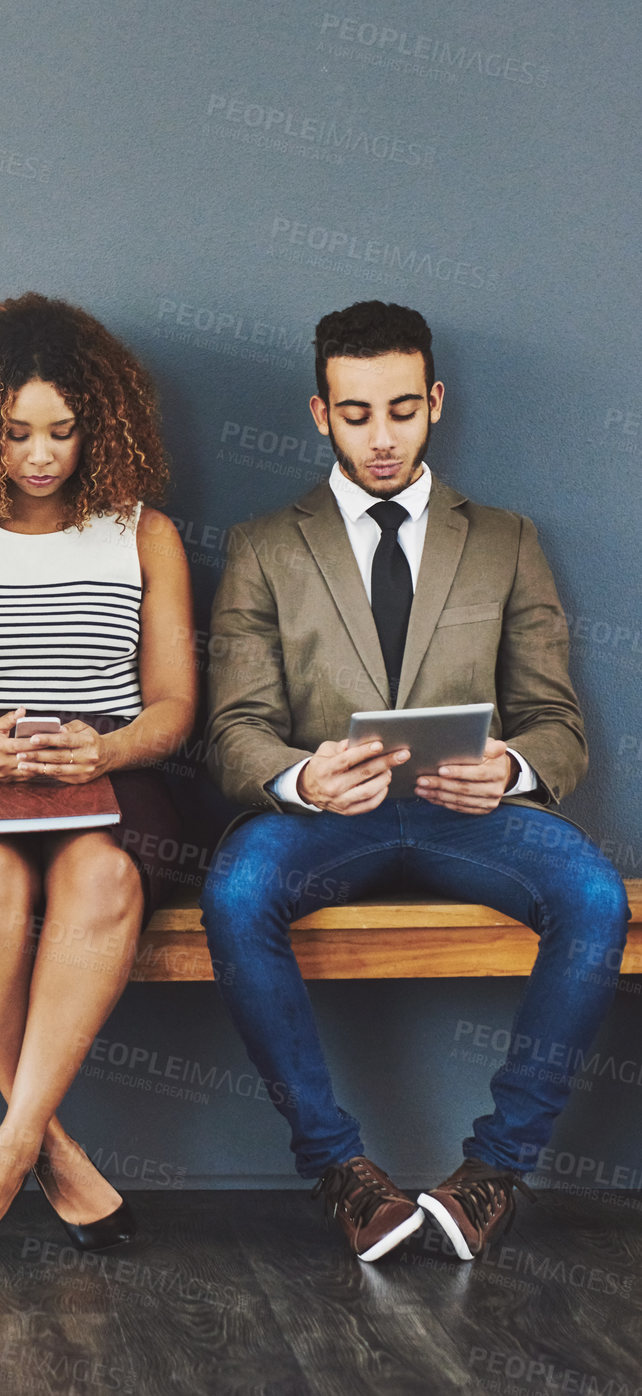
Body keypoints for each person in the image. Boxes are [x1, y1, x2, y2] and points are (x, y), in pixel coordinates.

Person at [200, 300, 629, 1263]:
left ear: (435, 401)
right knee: (235, 889)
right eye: (356, 414)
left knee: (597, 895)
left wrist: (510, 770)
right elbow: (233, 734)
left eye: (402, 409)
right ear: (321, 414)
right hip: (325, 824)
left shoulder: (508, 539)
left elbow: (559, 725)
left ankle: (492, 1177)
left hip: (469, 817)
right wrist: (302, 778)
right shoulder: (265, 545)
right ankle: (341, 1173)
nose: (382, 436)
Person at [0, 292, 197, 1263]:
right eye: (15, 433)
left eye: (62, 431)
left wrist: (106, 750)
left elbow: (175, 707)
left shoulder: (145, 534)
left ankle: (5, 1151)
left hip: (108, 762)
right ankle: (52, 1154)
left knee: (101, 878)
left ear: (100, 424)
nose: (41, 455)